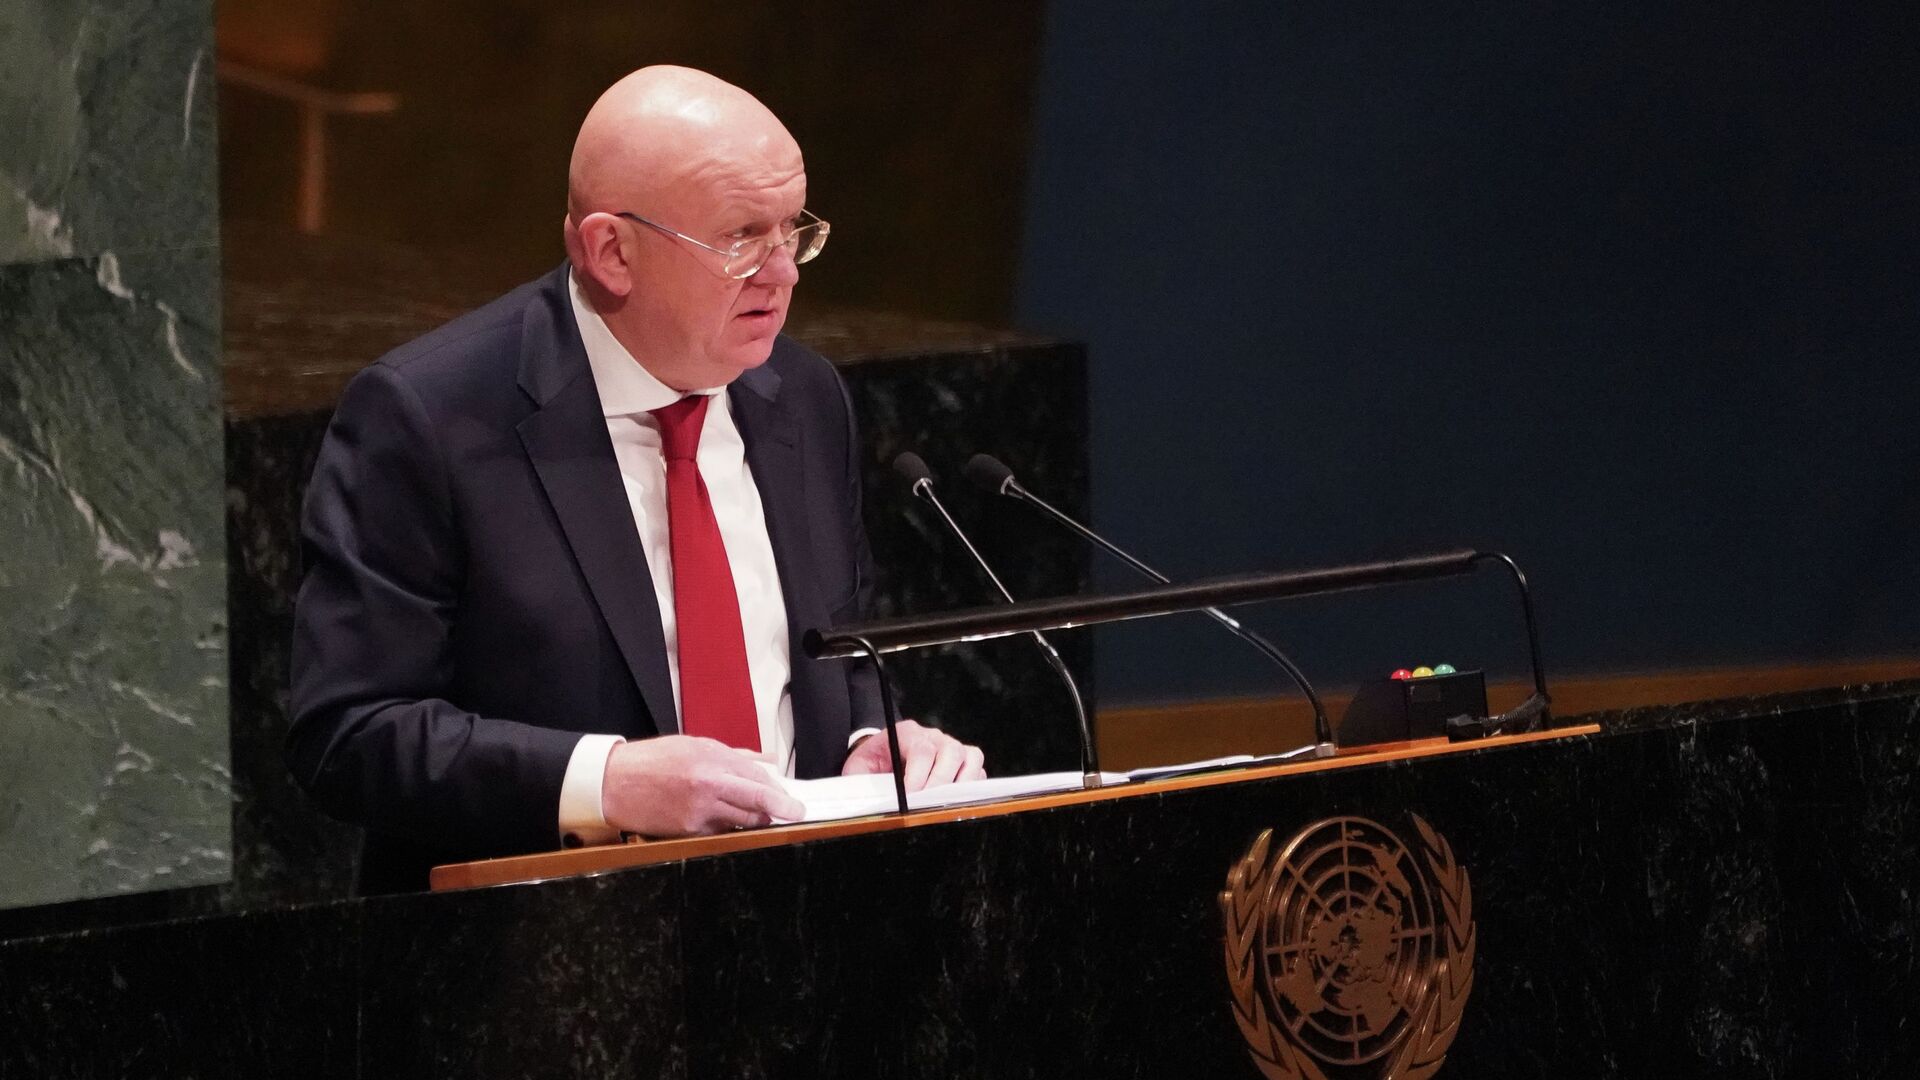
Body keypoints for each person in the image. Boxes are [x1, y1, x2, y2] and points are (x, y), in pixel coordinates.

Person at [287, 66, 986, 893]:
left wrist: (872, 739)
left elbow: (836, 656)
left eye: (792, 229)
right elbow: (350, 734)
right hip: (546, 939)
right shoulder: (431, 418)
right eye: (741, 238)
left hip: (799, 920)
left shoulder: (802, 397)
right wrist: (606, 783)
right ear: (612, 252)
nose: (784, 271)